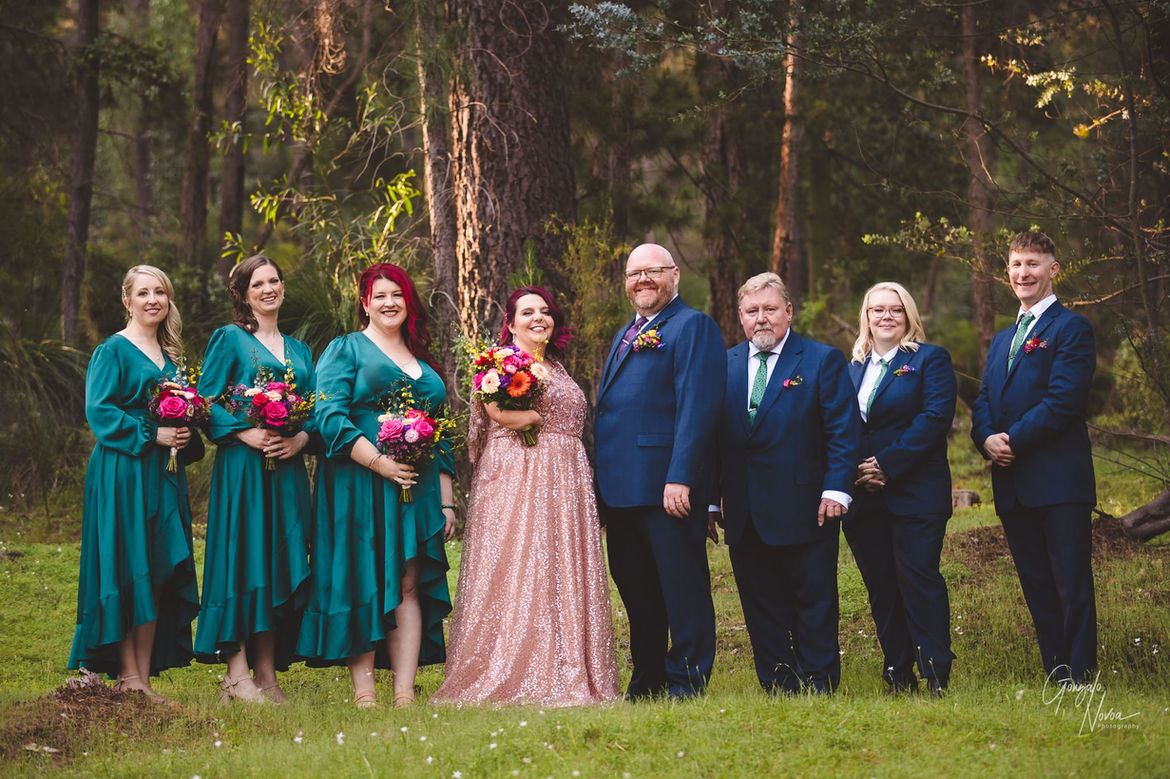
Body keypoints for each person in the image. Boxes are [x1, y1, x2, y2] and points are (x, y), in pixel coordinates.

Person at [433, 287, 619, 707]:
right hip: (520, 474)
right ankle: (513, 668)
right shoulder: (500, 363)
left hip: (566, 481)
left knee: (559, 566)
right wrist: (520, 417)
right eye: (528, 312)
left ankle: (568, 666)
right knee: (523, 563)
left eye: (545, 311)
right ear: (511, 323)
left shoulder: (557, 367)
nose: (539, 318)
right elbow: (483, 426)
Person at [296, 263, 456, 709]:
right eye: (379, 295)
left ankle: (404, 691)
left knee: (407, 579)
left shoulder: (423, 360)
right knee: (362, 577)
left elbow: (441, 433)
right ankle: (364, 690)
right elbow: (329, 417)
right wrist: (380, 463)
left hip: (415, 486)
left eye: (397, 294)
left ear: (409, 302)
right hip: (358, 481)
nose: (389, 302)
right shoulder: (345, 349)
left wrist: (445, 503)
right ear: (365, 302)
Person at [710, 272, 860, 694]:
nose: (762, 319)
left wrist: (837, 489)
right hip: (742, 510)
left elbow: (842, 432)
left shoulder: (821, 360)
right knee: (761, 604)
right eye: (752, 311)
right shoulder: (724, 364)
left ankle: (819, 681)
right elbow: (710, 438)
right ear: (740, 316)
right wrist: (709, 499)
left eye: (770, 309)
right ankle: (778, 684)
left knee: (813, 601)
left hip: (807, 504)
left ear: (788, 312)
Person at [594, 243, 726, 700]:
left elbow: (698, 407)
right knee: (637, 593)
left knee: (682, 589)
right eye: (634, 273)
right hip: (621, 490)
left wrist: (682, 476)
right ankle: (647, 680)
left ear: (674, 276)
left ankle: (687, 681)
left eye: (653, 271)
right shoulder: (623, 334)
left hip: (667, 487)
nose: (643, 280)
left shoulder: (693, 326)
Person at [68, 265, 202, 703]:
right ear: (127, 301)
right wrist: (151, 434)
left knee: (159, 569)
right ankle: (127, 676)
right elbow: (100, 412)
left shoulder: (172, 360)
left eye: (160, 292)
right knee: (128, 567)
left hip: (164, 476)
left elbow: (180, 416)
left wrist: (183, 434)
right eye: (143, 293)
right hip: (123, 471)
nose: (152, 300)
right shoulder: (113, 351)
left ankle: (143, 677)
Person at [971, 231, 1098, 684]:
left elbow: (1064, 401)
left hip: (1059, 481)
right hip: (1013, 483)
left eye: (1033, 264)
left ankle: (1081, 678)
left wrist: (1011, 440)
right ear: (1007, 271)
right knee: (1037, 585)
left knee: (1071, 584)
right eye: (1016, 264)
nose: (1023, 273)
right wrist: (985, 437)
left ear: (1053, 270)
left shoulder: (1071, 329)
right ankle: (1057, 673)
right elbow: (984, 397)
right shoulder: (1005, 338)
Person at [193, 255, 316, 704]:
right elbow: (204, 401)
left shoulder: (300, 350)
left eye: (275, 281)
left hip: (286, 469)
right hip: (243, 470)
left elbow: (316, 408)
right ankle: (236, 671)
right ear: (244, 293)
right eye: (258, 283)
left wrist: (300, 438)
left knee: (276, 561)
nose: (269, 289)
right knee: (242, 558)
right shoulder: (229, 339)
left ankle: (266, 675)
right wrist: (245, 431)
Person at [844, 282, 957, 696]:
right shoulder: (851, 368)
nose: (886, 316)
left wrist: (888, 464)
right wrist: (856, 470)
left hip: (916, 493)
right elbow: (839, 426)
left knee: (918, 579)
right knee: (881, 587)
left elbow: (933, 419)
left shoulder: (929, 360)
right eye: (877, 310)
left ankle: (935, 672)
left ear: (909, 316)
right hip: (864, 495)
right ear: (866, 317)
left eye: (895, 309)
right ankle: (898, 671)